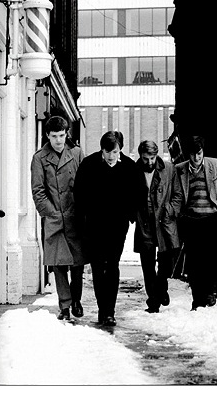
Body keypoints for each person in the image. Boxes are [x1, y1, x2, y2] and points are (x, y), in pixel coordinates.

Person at [73, 131, 138, 326]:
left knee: (113, 266)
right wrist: (83, 220)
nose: (111, 156)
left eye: (115, 152)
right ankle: (103, 309)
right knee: (97, 267)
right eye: (107, 152)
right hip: (94, 226)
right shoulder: (89, 165)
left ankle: (110, 311)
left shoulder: (129, 167)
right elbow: (79, 193)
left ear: (121, 150)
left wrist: (130, 214)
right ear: (102, 150)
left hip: (118, 226)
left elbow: (138, 192)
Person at [31, 116, 87, 321]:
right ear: (47, 135)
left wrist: (82, 210)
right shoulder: (39, 158)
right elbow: (38, 190)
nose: (58, 140)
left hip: (75, 216)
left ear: (67, 134)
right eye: (54, 136)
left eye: (61, 135)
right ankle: (64, 305)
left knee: (77, 263)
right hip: (54, 217)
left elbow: (85, 184)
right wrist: (51, 212)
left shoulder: (77, 153)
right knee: (58, 264)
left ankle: (77, 300)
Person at [175, 136, 217, 310]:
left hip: (212, 220)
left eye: (199, 153)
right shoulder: (180, 169)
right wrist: (180, 216)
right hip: (191, 221)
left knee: (211, 259)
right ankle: (197, 299)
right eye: (193, 154)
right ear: (188, 154)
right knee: (193, 262)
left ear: (203, 151)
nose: (196, 158)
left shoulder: (215, 165)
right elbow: (177, 196)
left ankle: (210, 294)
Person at [134, 140, 183, 313]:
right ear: (140, 156)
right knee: (147, 265)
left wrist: (170, 210)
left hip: (164, 221)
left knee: (166, 262)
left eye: (152, 158)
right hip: (144, 222)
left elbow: (178, 194)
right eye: (146, 158)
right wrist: (134, 214)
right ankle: (153, 302)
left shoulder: (169, 169)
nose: (149, 162)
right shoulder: (134, 170)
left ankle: (161, 288)